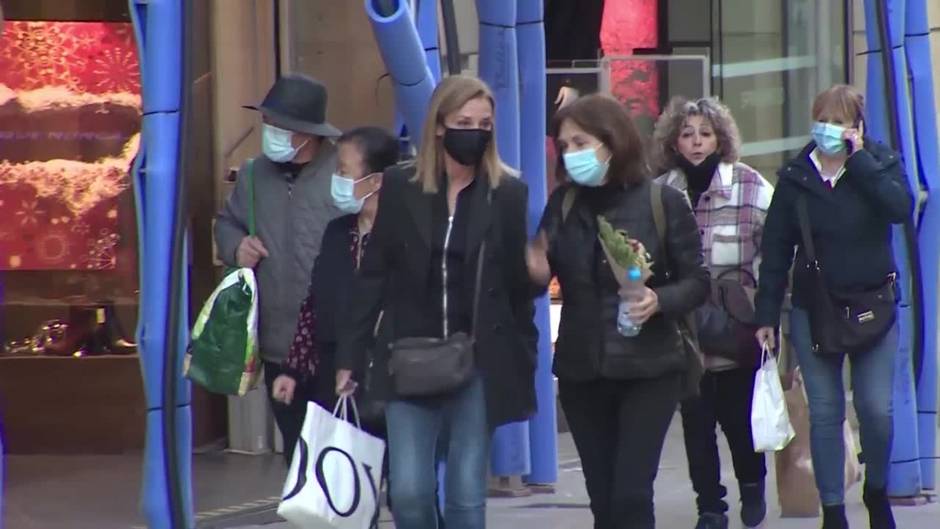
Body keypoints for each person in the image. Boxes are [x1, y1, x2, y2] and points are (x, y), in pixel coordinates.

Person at [335, 75, 538, 529]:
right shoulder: (401, 185)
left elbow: (515, 287)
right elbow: (374, 277)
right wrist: (351, 355)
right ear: (441, 125)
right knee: (409, 494)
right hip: (409, 355)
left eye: (484, 123)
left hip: (477, 358)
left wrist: (522, 357)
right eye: (464, 121)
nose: (476, 131)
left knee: (467, 497)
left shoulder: (507, 192)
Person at [527, 93, 710, 529]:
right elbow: (539, 274)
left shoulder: (661, 203)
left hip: (650, 369)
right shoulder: (564, 206)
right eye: (564, 145)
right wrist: (531, 262)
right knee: (604, 502)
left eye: (580, 142)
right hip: (582, 370)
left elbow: (698, 282)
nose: (571, 154)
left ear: (611, 142)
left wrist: (658, 300)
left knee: (631, 495)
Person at [754, 84, 913, 529]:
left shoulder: (878, 163)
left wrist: (860, 160)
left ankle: (876, 489)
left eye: (840, 120)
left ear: (857, 126)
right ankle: (833, 511)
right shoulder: (795, 177)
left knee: (876, 410)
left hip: (873, 306)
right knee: (825, 412)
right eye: (823, 118)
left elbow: (900, 208)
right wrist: (766, 315)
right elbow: (776, 249)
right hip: (814, 309)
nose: (829, 128)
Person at [653, 97, 774, 529]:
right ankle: (711, 506)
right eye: (687, 134)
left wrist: (769, 317)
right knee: (696, 423)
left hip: (736, 323)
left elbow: (776, 253)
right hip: (685, 326)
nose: (697, 142)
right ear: (674, 141)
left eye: (705, 133)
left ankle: (753, 484)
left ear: (720, 138)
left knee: (738, 420)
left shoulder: (749, 184)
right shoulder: (662, 190)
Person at [214, 74, 341, 464]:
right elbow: (227, 222)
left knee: (340, 453)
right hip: (277, 342)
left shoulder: (344, 173)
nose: (269, 132)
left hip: (335, 343)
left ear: (307, 133)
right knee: (297, 450)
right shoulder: (254, 175)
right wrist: (237, 246)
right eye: (267, 123)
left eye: (278, 126)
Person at [270, 125, 399, 443]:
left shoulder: (404, 233)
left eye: (343, 171)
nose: (336, 180)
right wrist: (293, 369)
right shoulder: (338, 233)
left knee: (403, 484)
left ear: (376, 181)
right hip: (333, 373)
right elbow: (314, 303)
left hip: (391, 374)